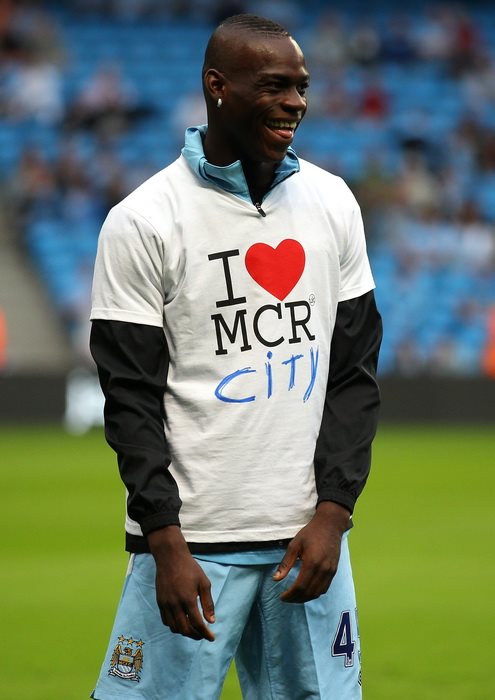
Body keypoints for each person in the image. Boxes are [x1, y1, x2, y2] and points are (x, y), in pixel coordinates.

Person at [89, 13, 382, 700]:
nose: (295, 102)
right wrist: (163, 539)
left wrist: (334, 512)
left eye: (301, 86)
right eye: (274, 85)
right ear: (217, 86)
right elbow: (129, 399)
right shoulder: (143, 220)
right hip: (191, 544)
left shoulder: (333, 202)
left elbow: (353, 376)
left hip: (306, 542)